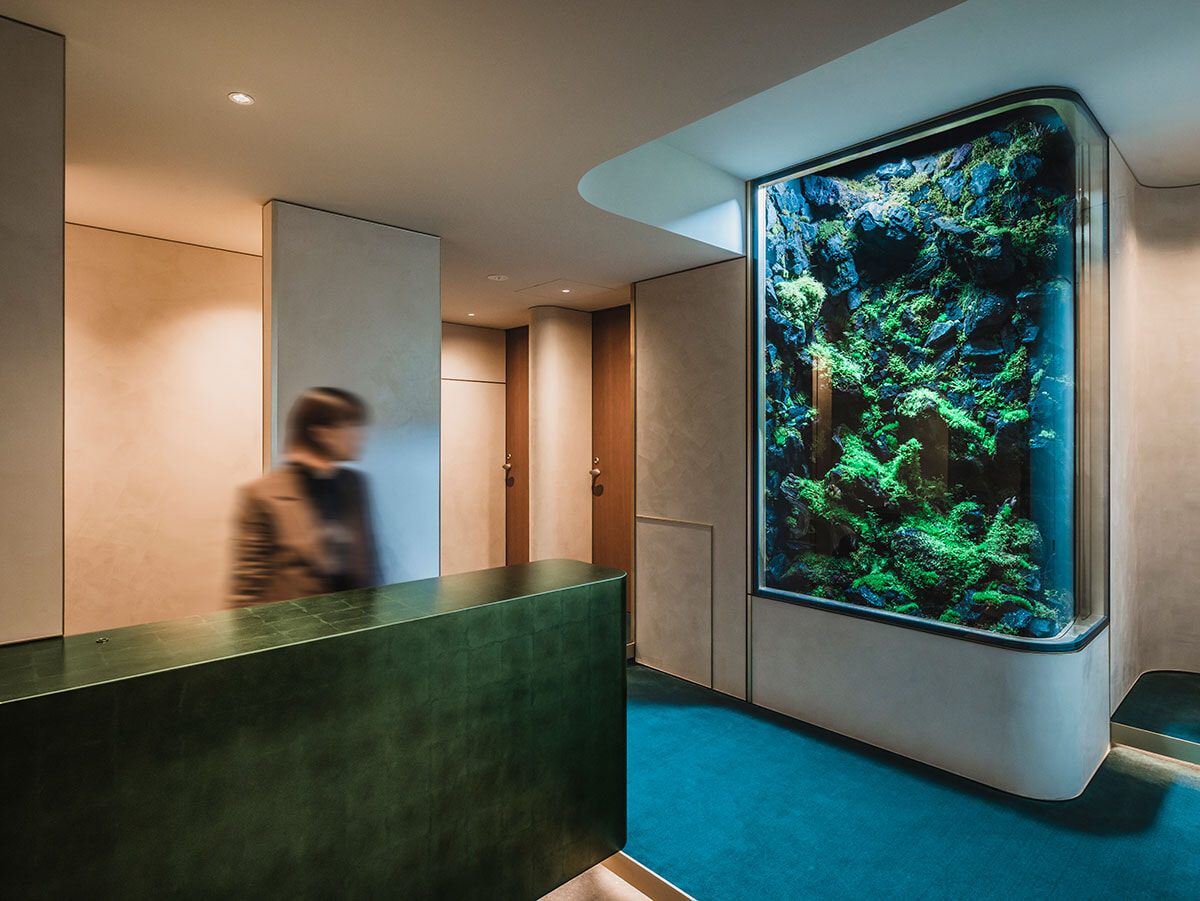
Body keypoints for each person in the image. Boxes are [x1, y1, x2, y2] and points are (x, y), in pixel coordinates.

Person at [229, 387, 379, 606]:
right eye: (352, 426)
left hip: (356, 622)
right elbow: (246, 589)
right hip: (296, 624)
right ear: (323, 433)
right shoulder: (262, 495)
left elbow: (370, 562)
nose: (361, 436)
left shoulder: (354, 484)